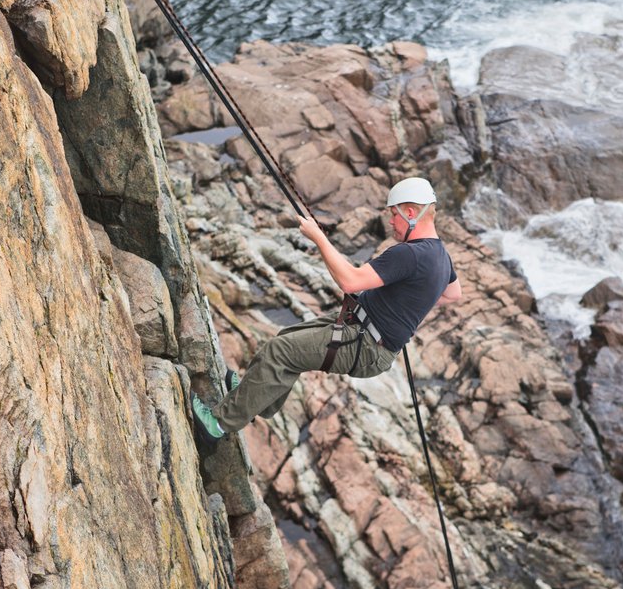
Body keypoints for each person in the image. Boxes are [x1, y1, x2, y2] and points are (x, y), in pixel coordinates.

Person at [192, 177, 462, 439]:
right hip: (362, 330)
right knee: (286, 338)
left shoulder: (409, 254)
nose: (390, 222)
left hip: (366, 343)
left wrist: (318, 237)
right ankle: (253, 401)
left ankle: (218, 425)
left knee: (280, 352)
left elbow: (350, 282)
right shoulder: (441, 256)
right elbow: (453, 294)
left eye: (394, 215)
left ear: (411, 213)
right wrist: (411, 300)